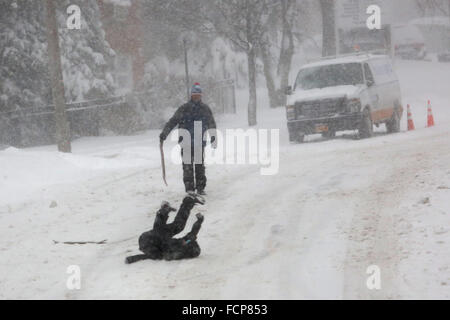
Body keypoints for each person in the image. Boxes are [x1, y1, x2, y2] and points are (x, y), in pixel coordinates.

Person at [159, 83, 216, 195]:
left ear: (201, 96)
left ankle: (200, 188)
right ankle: (189, 188)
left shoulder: (205, 109)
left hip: (199, 142)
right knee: (187, 166)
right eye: (194, 95)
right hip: (186, 142)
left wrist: (213, 136)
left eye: (198, 95)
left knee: (199, 165)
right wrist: (164, 133)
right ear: (191, 95)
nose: (196, 97)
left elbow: (211, 123)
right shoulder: (184, 108)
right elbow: (173, 121)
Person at [125, 194, 205, 264]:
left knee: (166, 232)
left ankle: (167, 209)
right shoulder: (183, 244)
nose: (186, 241)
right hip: (151, 240)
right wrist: (199, 221)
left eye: (187, 243)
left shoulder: (177, 251)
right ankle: (183, 203)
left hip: (149, 243)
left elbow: (147, 256)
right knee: (174, 228)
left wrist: (132, 259)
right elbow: (192, 234)